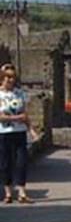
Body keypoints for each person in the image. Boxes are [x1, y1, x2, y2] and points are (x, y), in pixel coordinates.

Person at [0, 64, 31, 204]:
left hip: (20, 132)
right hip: (4, 133)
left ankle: (22, 192)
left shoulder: (20, 93)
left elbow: (25, 113)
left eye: (12, 77)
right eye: (8, 77)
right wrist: (17, 118)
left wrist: (31, 129)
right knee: (5, 163)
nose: (10, 80)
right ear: (2, 78)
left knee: (21, 162)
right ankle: (8, 193)